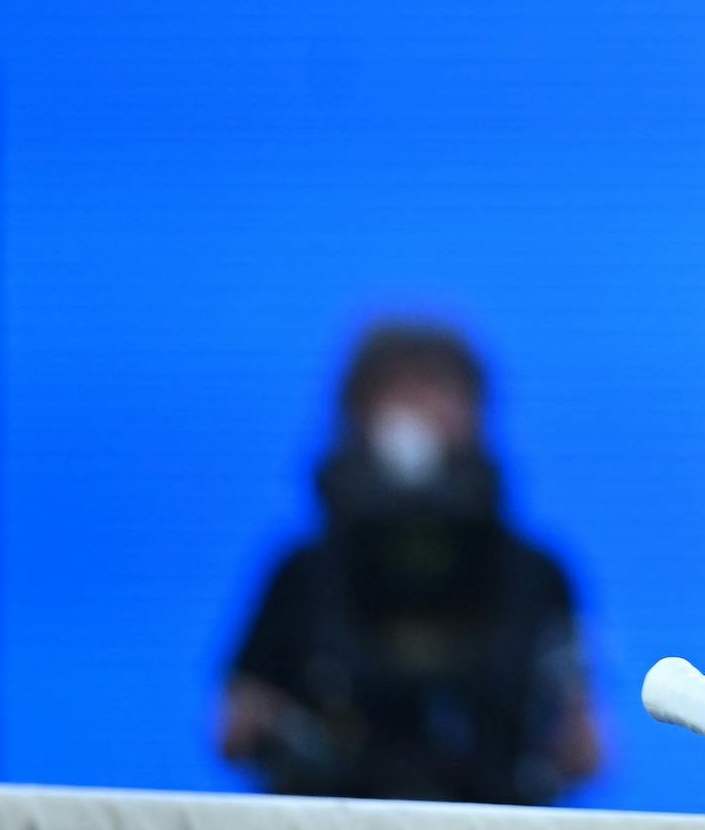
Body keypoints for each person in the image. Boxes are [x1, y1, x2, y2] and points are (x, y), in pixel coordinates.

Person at [220, 319, 600, 805]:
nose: (418, 410)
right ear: (355, 411)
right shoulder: (301, 574)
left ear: (476, 411)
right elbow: (233, 732)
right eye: (395, 388)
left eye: (437, 388)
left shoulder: (537, 574)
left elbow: (587, 751)